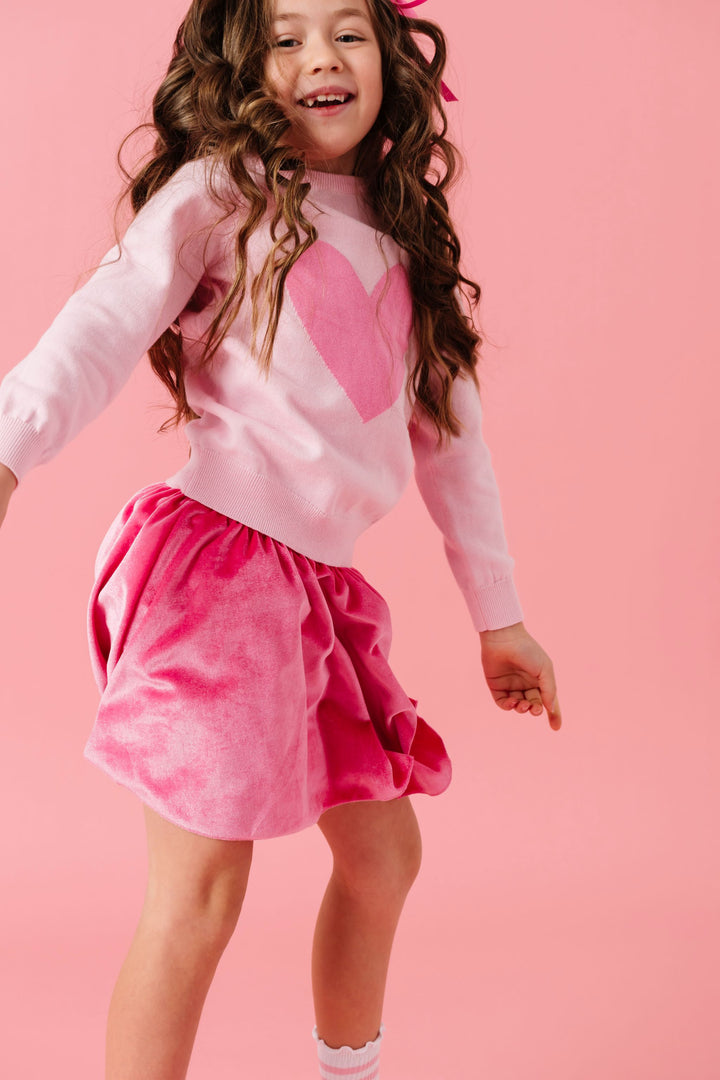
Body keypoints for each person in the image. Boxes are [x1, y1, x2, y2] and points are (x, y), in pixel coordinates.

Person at [0, 0, 562, 1076]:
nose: (321, 57)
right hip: (216, 574)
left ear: (390, 58)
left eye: (348, 31)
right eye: (286, 34)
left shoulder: (408, 242)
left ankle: (346, 1068)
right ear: (243, 64)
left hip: (318, 592)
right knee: (202, 895)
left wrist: (504, 622)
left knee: (385, 857)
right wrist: (7, 450)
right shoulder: (222, 194)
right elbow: (103, 323)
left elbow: (455, 444)